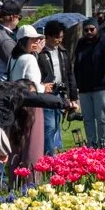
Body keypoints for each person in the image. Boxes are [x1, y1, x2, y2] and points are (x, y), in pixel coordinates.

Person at [10, 24, 50, 167]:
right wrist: (44, 88)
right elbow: (33, 85)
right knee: (32, 146)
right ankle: (30, 177)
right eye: (32, 40)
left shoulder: (13, 58)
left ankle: (15, 175)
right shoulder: (29, 59)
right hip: (31, 104)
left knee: (17, 144)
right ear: (24, 41)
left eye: (37, 39)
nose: (36, 42)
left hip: (16, 104)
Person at [75, 17, 105, 145]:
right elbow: (77, 63)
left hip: (101, 86)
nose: (89, 32)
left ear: (97, 29)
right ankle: (91, 144)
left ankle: (103, 144)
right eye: (86, 30)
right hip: (84, 87)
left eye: (91, 29)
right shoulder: (81, 44)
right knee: (88, 118)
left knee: (101, 117)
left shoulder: (104, 42)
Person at [37, 21, 77, 153]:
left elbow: (69, 75)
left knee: (56, 126)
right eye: (57, 37)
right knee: (49, 126)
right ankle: (49, 156)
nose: (60, 40)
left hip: (61, 93)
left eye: (61, 37)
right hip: (47, 93)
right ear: (48, 36)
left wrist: (73, 97)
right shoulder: (40, 53)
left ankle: (54, 152)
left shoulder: (63, 52)